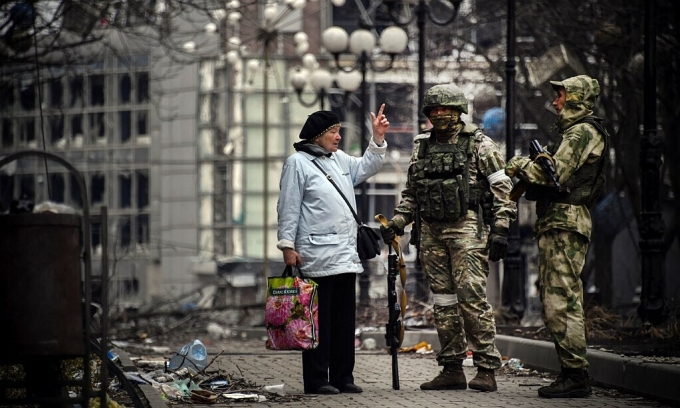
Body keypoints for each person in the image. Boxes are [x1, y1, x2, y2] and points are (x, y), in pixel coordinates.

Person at [380, 84, 516, 392]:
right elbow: (412, 193)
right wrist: (399, 222)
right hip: (431, 232)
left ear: (459, 111)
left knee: (472, 299)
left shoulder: (479, 144)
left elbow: (502, 188)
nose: (440, 115)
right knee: (443, 302)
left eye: (447, 110)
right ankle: (452, 367)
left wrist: (501, 229)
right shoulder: (422, 146)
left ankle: (486, 368)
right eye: (434, 110)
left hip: (467, 229)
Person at [504, 74, 608, 398]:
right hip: (559, 220)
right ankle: (573, 373)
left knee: (560, 301)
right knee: (557, 300)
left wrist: (518, 164)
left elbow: (555, 174)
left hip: (566, 221)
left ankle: (576, 375)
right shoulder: (572, 132)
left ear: (576, 98)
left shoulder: (581, 131)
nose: (555, 102)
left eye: (561, 96)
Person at [276, 105, 390, 395]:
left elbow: (367, 167)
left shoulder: (338, 160)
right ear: (317, 135)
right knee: (317, 322)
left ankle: (343, 377)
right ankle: (316, 380)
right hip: (315, 253)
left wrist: (377, 139)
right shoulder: (297, 163)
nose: (338, 137)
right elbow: (288, 207)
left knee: (343, 321)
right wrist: (287, 245)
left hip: (344, 254)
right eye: (333, 132)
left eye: (339, 131)